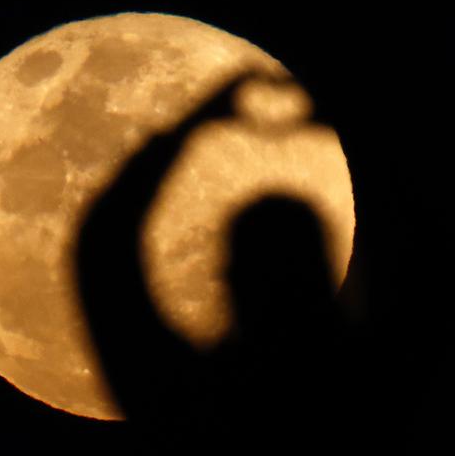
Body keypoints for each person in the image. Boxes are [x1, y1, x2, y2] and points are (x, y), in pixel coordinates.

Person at [76, 74, 356, 453]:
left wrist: (193, 124)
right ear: (322, 266)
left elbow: (105, 253)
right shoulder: (386, 378)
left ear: (229, 277)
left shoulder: (187, 401)